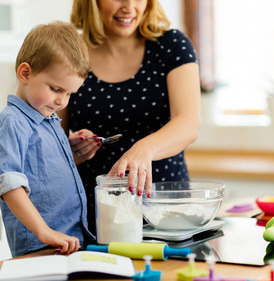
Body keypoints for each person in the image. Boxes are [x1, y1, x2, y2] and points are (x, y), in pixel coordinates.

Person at [58, 0, 201, 235]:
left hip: (164, 211)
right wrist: (69, 155)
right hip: (93, 214)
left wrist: (143, 150)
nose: (128, 6)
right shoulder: (70, 53)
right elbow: (49, 141)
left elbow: (188, 123)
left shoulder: (172, 46)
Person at [0, 21, 94, 257]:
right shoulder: (12, 122)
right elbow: (9, 185)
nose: (62, 102)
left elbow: (41, 168)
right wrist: (43, 231)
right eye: (56, 89)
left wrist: (73, 152)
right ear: (25, 73)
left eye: (69, 93)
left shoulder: (49, 118)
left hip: (67, 240)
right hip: (40, 244)